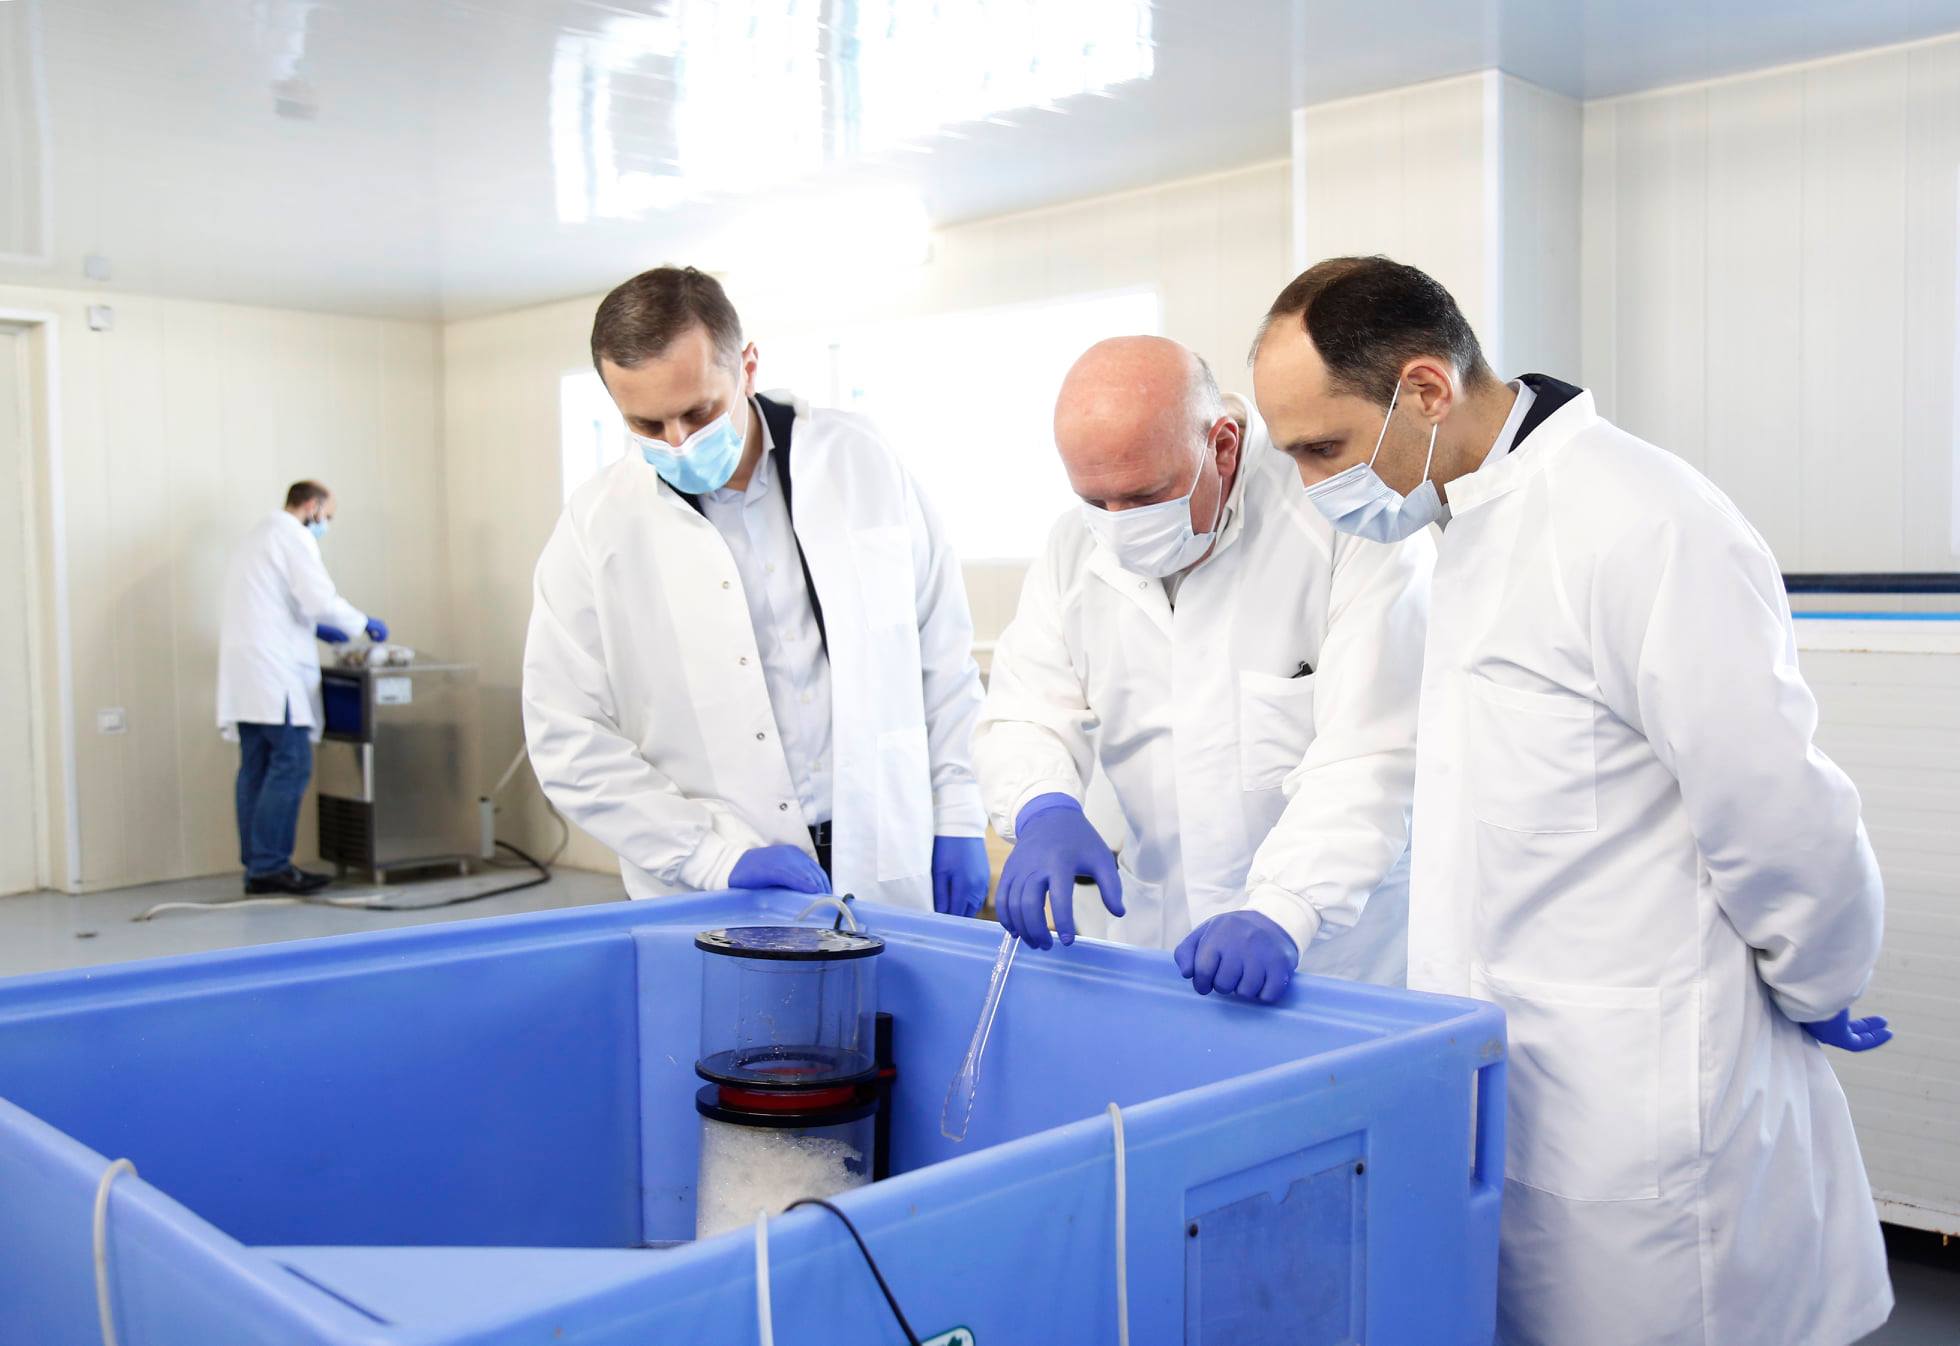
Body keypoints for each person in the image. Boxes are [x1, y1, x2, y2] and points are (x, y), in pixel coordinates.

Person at [1250, 255, 1894, 1346]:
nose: (1313, 487)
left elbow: (1776, 806)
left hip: (1648, 1113)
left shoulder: (1640, 521)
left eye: (1323, 448)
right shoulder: (1461, 529)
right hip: (1522, 1090)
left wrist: (1823, 971)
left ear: (1424, 389)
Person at [973, 336, 1432, 999]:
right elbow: (1028, 707)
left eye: (1143, 496)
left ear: (1222, 446)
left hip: (1327, 954)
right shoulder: (1073, 547)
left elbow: (1376, 753)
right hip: (1156, 941)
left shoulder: (1343, 519)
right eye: (1095, 501)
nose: (1117, 525)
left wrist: (1287, 907)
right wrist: (1041, 804)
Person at [522, 266, 991, 913]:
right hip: (718, 882)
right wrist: (712, 857)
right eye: (648, 426)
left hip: (887, 845)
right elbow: (566, 735)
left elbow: (940, 650)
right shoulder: (596, 525)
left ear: (746, 367)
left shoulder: (859, 459)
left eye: (698, 412)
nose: (678, 443)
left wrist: (959, 811)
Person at [216, 480, 387, 895]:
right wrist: (362, 623)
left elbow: (280, 603)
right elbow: (319, 598)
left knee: (255, 768)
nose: (325, 524)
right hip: (274, 674)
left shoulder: (257, 537)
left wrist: (318, 629)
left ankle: (257, 866)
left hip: (247, 674)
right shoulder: (291, 536)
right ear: (311, 506)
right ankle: (271, 867)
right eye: (327, 516)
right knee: (291, 764)